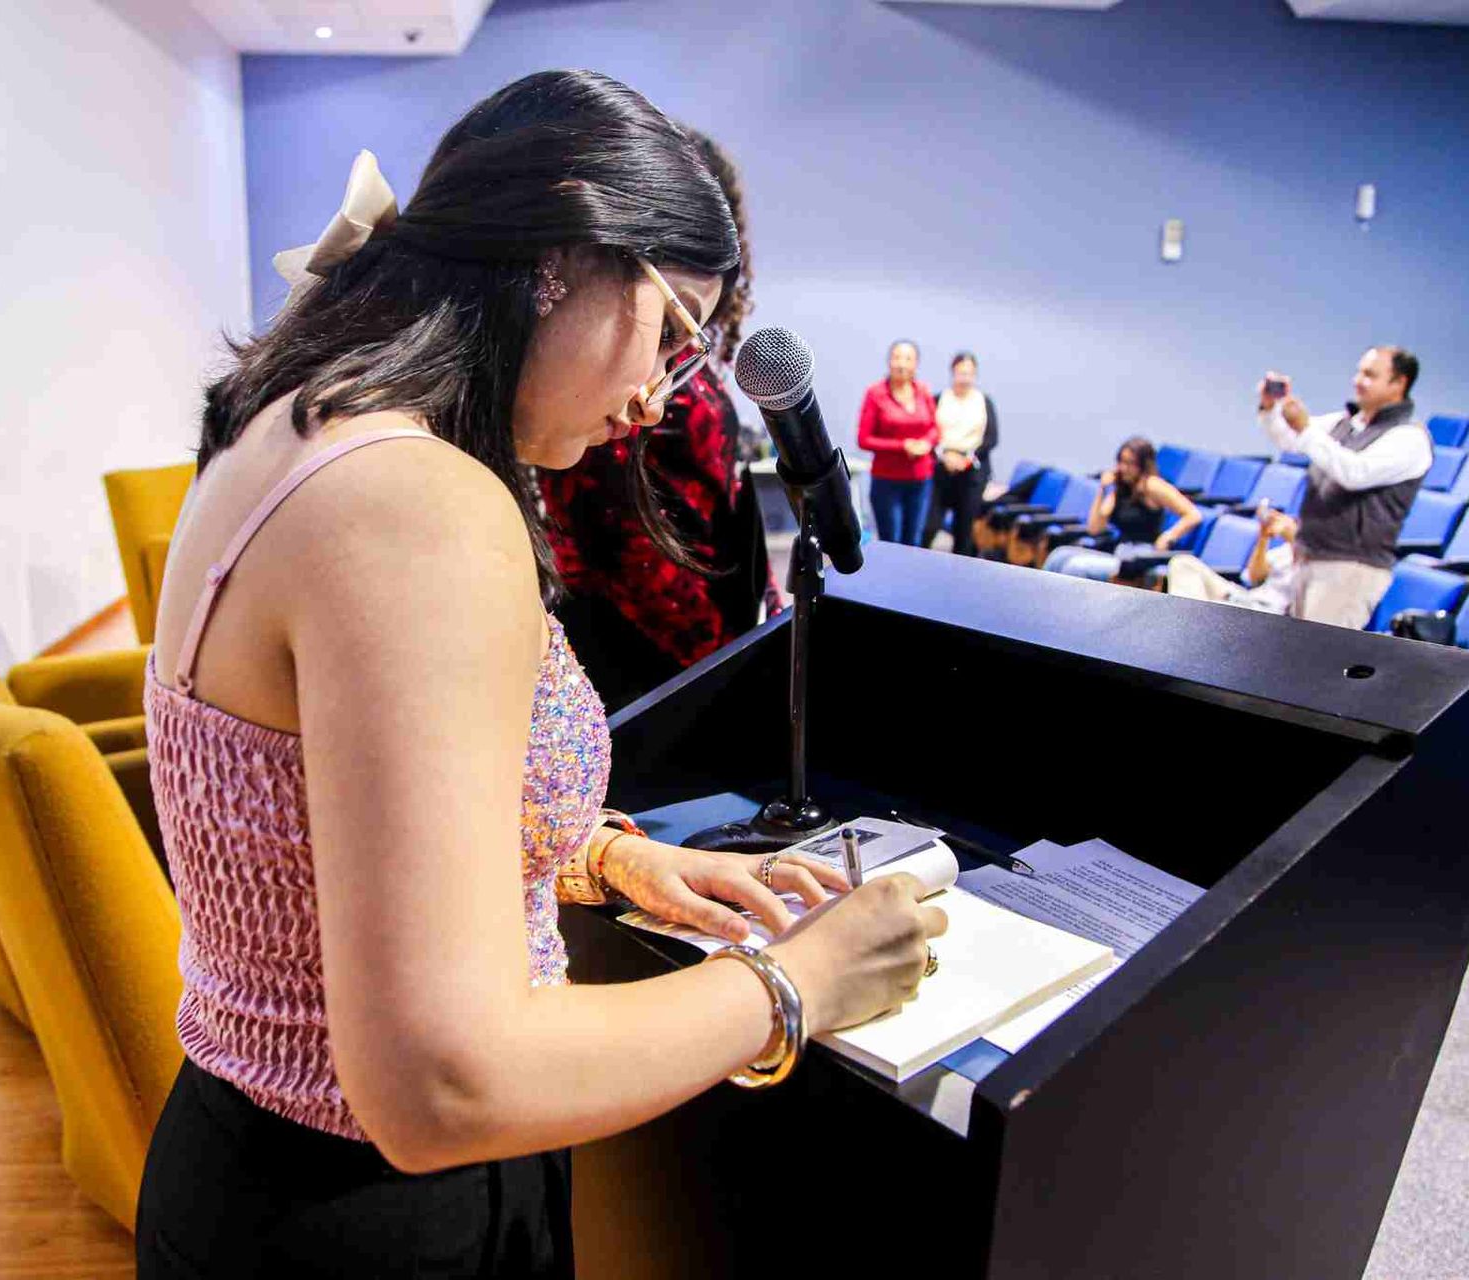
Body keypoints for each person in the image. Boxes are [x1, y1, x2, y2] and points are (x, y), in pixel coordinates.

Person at [134, 71, 945, 1278]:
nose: (658, 393)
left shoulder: (302, 421)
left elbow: (333, 823)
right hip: (373, 1218)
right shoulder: (420, 505)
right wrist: (798, 982)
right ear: (568, 257)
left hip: (260, 1173)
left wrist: (613, 857)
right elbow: (439, 1079)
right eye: (673, 331)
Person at [538, 126, 781, 711]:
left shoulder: (663, 366)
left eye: (678, 344)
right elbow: (612, 534)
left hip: (695, 612)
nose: (650, 398)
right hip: (642, 628)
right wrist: (712, 655)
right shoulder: (605, 378)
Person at [1259, 347, 1431, 629]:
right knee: (1294, 661)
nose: (1358, 381)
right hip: (1308, 558)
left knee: (1318, 663)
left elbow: (1354, 473)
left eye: (1370, 375)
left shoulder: (1409, 437)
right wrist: (1270, 409)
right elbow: (1289, 440)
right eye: (1359, 372)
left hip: (1349, 568)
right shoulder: (1345, 423)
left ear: (1399, 383)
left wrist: (1306, 430)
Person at [1041, 436, 1200, 581]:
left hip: (1139, 557)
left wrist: (1169, 535)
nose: (1123, 468)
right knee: (1059, 556)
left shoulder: (1152, 486)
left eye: (1130, 463)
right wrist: (1103, 490)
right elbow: (1095, 528)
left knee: (1075, 567)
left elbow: (1193, 514)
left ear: (1143, 465)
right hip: (1119, 553)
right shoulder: (1121, 488)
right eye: (1121, 462)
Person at [856, 340, 937, 546]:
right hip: (887, 481)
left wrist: (926, 443)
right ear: (889, 362)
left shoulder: (923, 391)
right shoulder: (876, 393)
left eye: (908, 359)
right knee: (891, 543)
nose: (902, 364)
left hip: (920, 480)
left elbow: (935, 428)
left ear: (916, 364)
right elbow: (864, 439)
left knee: (915, 542)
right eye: (897, 358)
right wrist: (903, 446)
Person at [921, 351, 1000, 554]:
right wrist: (944, 456)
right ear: (953, 372)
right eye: (960, 373)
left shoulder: (984, 402)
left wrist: (966, 458)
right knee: (929, 525)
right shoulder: (939, 399)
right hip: (941, 468)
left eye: (969, 373)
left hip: (971, 471)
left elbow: (991, 439)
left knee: (964, 530)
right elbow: (926, 432)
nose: (964, 378)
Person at [1166, 501, 1299, 613]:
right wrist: (1263, 537)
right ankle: (1190, 620)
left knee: (1194, 605)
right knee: (1183, 563)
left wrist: (1295, 541)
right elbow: (1254, 578)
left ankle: (1187, 624)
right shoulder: (1284, 550)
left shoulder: (1316, 560)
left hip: (1267, 613)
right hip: (1247, 598)